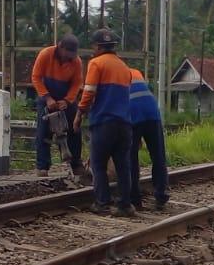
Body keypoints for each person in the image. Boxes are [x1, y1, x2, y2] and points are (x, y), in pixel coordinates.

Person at [73, 28, 136, 216]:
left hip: (104, 123)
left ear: (98, 46)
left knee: (98, 165)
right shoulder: (125, 68)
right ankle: (125, 205)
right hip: (125, 124)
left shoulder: (96, 64)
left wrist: (79, 115)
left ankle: (102, 203)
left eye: (94, 46)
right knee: (123, 165)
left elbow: (89, 92)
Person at [31, 34, 84, 177]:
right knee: (43, 132)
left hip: (65, 97)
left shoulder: (76, 62)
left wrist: (67, 101)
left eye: (72, 53)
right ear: (60, 47)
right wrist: (47, 97)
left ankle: (76, 163)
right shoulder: (45, 54)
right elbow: (36, 77)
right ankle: (43, 166)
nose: (69, 56)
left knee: (74, 129)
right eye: (68, 52)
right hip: (46, 95)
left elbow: (76, 83)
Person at [126, 67, 169, 211]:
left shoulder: (113, 74)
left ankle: (134, 199)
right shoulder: (136, 72)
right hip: (152, 112)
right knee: (158, 156)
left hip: (132, 114)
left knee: (131, 158)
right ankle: (161, 195)